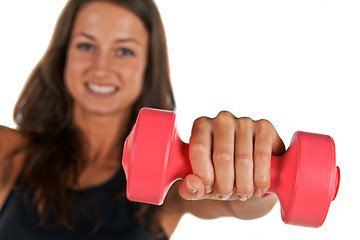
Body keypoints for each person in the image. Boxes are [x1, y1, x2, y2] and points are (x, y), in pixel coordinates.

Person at [0, 0, 285, 239]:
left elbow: (243, 207)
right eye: (86, 46)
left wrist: (263, 169)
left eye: (124, 51)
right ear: (63, 55)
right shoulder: (9, 151)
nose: (101, 68)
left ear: (148, 67)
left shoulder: (172, 186)